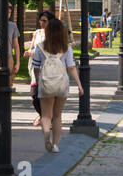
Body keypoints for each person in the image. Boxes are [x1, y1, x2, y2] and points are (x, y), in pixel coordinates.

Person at [29, 17, 83, 153]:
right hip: (61, 84)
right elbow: (71, 67)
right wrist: (79, 85)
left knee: (46, 115)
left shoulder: (40, 47)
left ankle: (46, 134)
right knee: (58, 116)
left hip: (45, 84)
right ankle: (55, 144)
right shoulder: (66, 48)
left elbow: (35, 66)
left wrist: (37, 79)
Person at [27, 10, 53, 126]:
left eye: (44, 21)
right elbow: (33, 46)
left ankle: (48, 118)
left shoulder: (53, 34)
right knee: (34, 95)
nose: (42, 23)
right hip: (35, 67)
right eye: (41, 20)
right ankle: (43, 115)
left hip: (48, 68)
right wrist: (29, 51)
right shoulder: (37, 32)